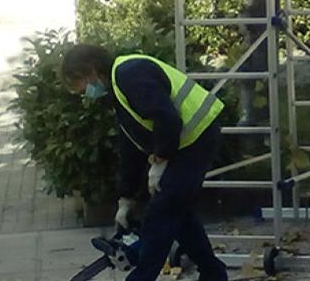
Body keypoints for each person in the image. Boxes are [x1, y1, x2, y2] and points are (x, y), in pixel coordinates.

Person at [62, 44, 228, 281]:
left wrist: (161, 160)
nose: (81, 92)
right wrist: (126, 199)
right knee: (177, 212)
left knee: (160, 212)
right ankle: (214, 274)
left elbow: (166, 117)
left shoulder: (129, 74)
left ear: (90, 71)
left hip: (196, 138)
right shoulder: (118, 89)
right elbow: (130, 147)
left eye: (78, 84)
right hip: (186, 143)